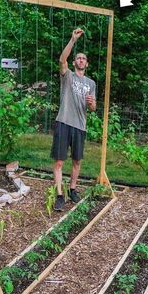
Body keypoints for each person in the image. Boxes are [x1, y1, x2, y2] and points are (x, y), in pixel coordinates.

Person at [51, 28, 96, 211]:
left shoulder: (91, 84)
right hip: (63, 122)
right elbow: (62, 60)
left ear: (87, 64)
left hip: (80, 126)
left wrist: (92, 103)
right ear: (75, 62)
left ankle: (73, 189)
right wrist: (72, 40)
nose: (80, 60)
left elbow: (92, 108)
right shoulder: (67, 76)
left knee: (77, 161)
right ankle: (60, 196)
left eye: (83, 59)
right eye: (78, 58)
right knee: (60, 162)